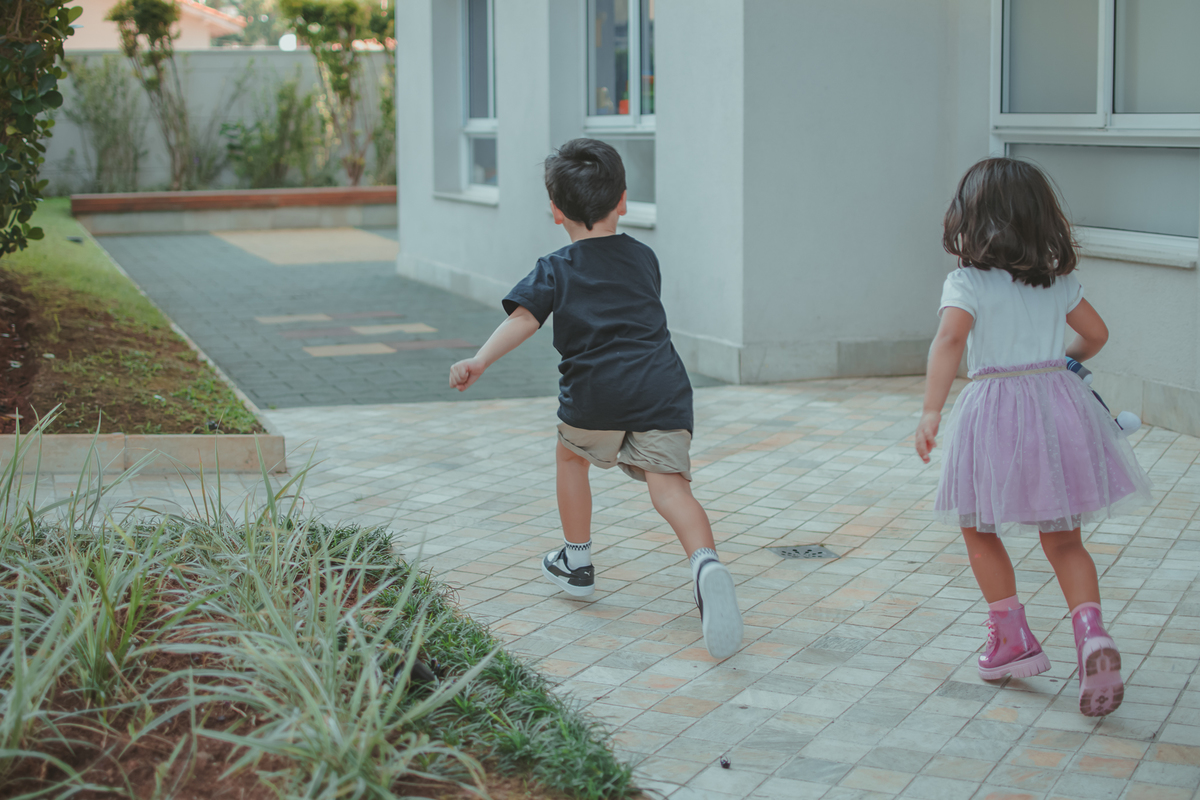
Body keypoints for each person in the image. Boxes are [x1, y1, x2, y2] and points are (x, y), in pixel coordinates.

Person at [448, 138, 744, 660]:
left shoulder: (556, 266)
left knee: (570, 457)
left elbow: (524, 319)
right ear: (623, 202)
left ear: (556, 212)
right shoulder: (644, 257)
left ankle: (577, 562)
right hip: (661, 387)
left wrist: (479, 361)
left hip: (594, 394)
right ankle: (705, 563)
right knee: (669, 488)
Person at [915, 157, 1152, 717]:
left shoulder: (966, 281)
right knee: (1065, 540)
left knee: (978, 526)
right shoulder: (1057, 280)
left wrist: (930, 411)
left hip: (994, 409)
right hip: (1055, 407)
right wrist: (1062, 363)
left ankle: (1012, 638)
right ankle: (1091, 633)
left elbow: (950, 340)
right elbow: (1097, 334)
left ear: (969, 220)